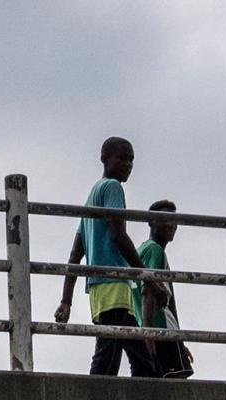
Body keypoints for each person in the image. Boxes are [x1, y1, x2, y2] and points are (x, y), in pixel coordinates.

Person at [53, 136, 156, 378]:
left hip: (99, 292)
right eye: (122, 158)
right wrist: (148, 277)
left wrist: (66, 300)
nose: (128, 164)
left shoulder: (91, 198)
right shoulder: (111, 188)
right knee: (109, 358)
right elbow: (120, 236)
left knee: (136, 356)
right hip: (113, 285)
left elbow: (75, 254)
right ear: (104, 159)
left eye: (131, 159)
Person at [135, 200, 192, 379]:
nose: (172, 225)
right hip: (161, 330)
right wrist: (150, 337)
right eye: (166, 219)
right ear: (152, 222)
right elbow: (148, 292)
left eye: (174, 220)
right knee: (173, 387)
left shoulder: (142, 250)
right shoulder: (154, 250)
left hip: (151, 329)